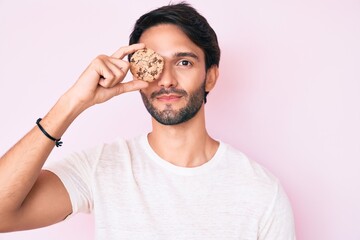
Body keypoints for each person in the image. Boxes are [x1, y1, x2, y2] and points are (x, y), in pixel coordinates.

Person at [0, 2, 296, 239]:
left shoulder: (261, 192)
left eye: (184, 62)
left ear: (211, 77)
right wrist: (72, 103)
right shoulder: (102, 167)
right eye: (153, 63)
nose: (166, 80)